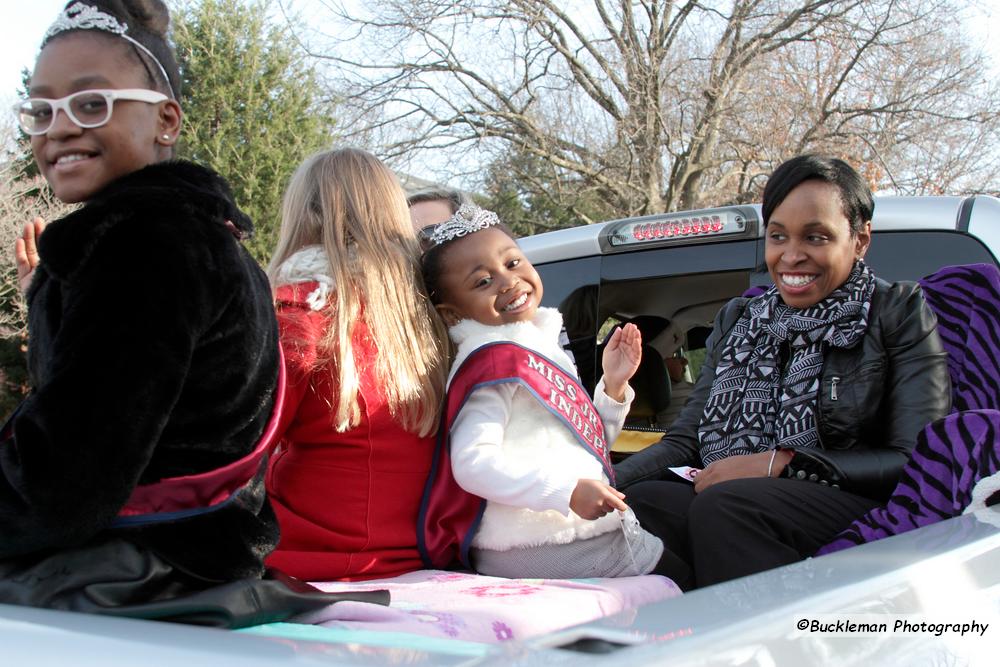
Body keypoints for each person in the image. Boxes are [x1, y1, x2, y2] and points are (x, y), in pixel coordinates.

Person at [0, 0, 333, 623]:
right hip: (194, 560)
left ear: (166, 121)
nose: (60, 127)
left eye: (91, 103)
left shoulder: (142, 243)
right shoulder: (192, 233)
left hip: (139, 572)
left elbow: (65, 479)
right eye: (40, 110)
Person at [615, 155, 952, 589]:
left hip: (851, 498)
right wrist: (603, 485)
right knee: (644, 502)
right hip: (739, 501)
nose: (791, 256)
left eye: (815, 237)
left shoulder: (896, 312)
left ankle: (759, 647)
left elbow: (915, 457)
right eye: (778, 236)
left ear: (861, 239)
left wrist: (782, 463)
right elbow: (686, 439)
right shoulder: (741, 319)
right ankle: (674, 635)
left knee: (728, 505)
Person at [419, 204, 670, 579]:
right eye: (482, 282)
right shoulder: (493, 364)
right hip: (543, 543)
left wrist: (613, 385)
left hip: (573, 533)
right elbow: (472, 465)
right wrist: (565, 491)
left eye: (513, 262)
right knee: (696, 589)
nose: (508, 282)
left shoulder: (538, 343)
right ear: (452, 313)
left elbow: (588, 446)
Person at [265, 148, 448, 581]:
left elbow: (241, 447)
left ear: (306, 213)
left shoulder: (299, 309)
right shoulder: (431, 311)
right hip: (422, 552)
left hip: (307, 556)